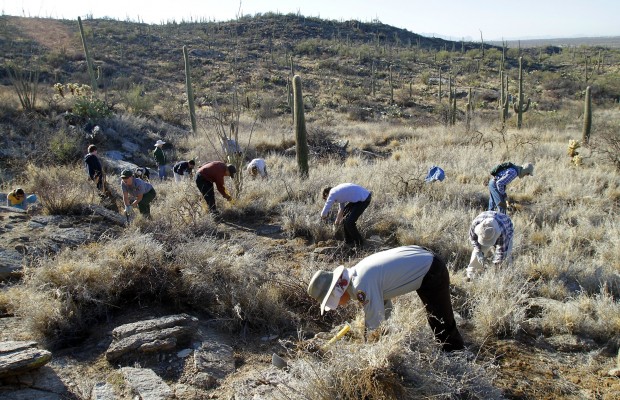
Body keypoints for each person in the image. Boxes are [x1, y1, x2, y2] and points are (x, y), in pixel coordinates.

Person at [307, 245, 465, 352]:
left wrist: (368, 349)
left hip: (431, 270)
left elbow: (374, 322)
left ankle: (457, 355)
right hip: (423, 259)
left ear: (337, 291)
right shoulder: (356, 276)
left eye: (332, 300)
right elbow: (384, 308)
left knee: (440, 321)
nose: (338, 305)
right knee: (436, 317)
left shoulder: (360, 285)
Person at [466, 211, 514, 281]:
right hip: (487, 218)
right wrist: (478, 251)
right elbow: (473, 239)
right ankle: (471, 275)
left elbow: (501, 252)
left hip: (506, 225)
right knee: (477, 253)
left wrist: (496, 269)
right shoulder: (476, 223)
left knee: (506, 255)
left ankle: (505, 276)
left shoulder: (503, 232)